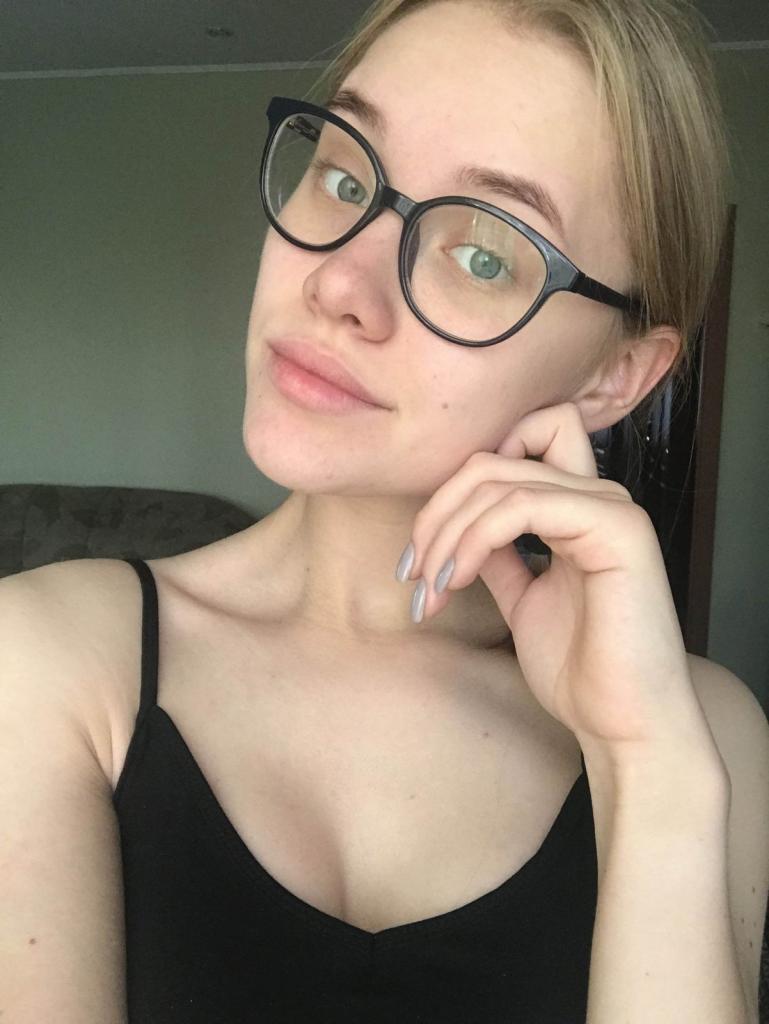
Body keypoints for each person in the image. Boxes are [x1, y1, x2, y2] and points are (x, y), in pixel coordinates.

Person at [2, 1, 766, 1022]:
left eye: (484, 253)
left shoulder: (701, 736)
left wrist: (647, 769)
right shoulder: (45, 660)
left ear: (613, 377)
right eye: (344, 176)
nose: (339, 282)